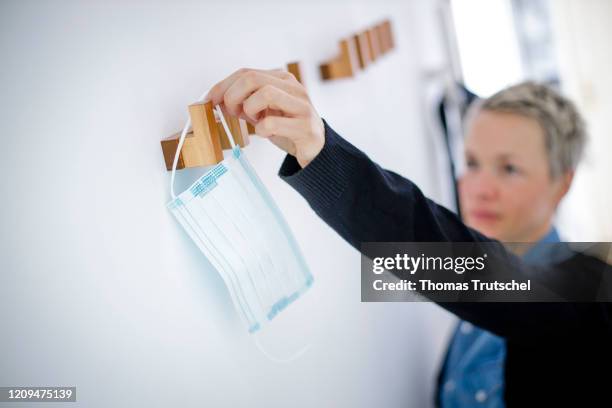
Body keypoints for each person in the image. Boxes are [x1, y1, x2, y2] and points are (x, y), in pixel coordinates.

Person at [206, 69, 612, 406]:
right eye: (472, 163)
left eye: (508, 169)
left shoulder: (583, 294)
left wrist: (321, 151)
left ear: (562, 183)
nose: (479, 187)